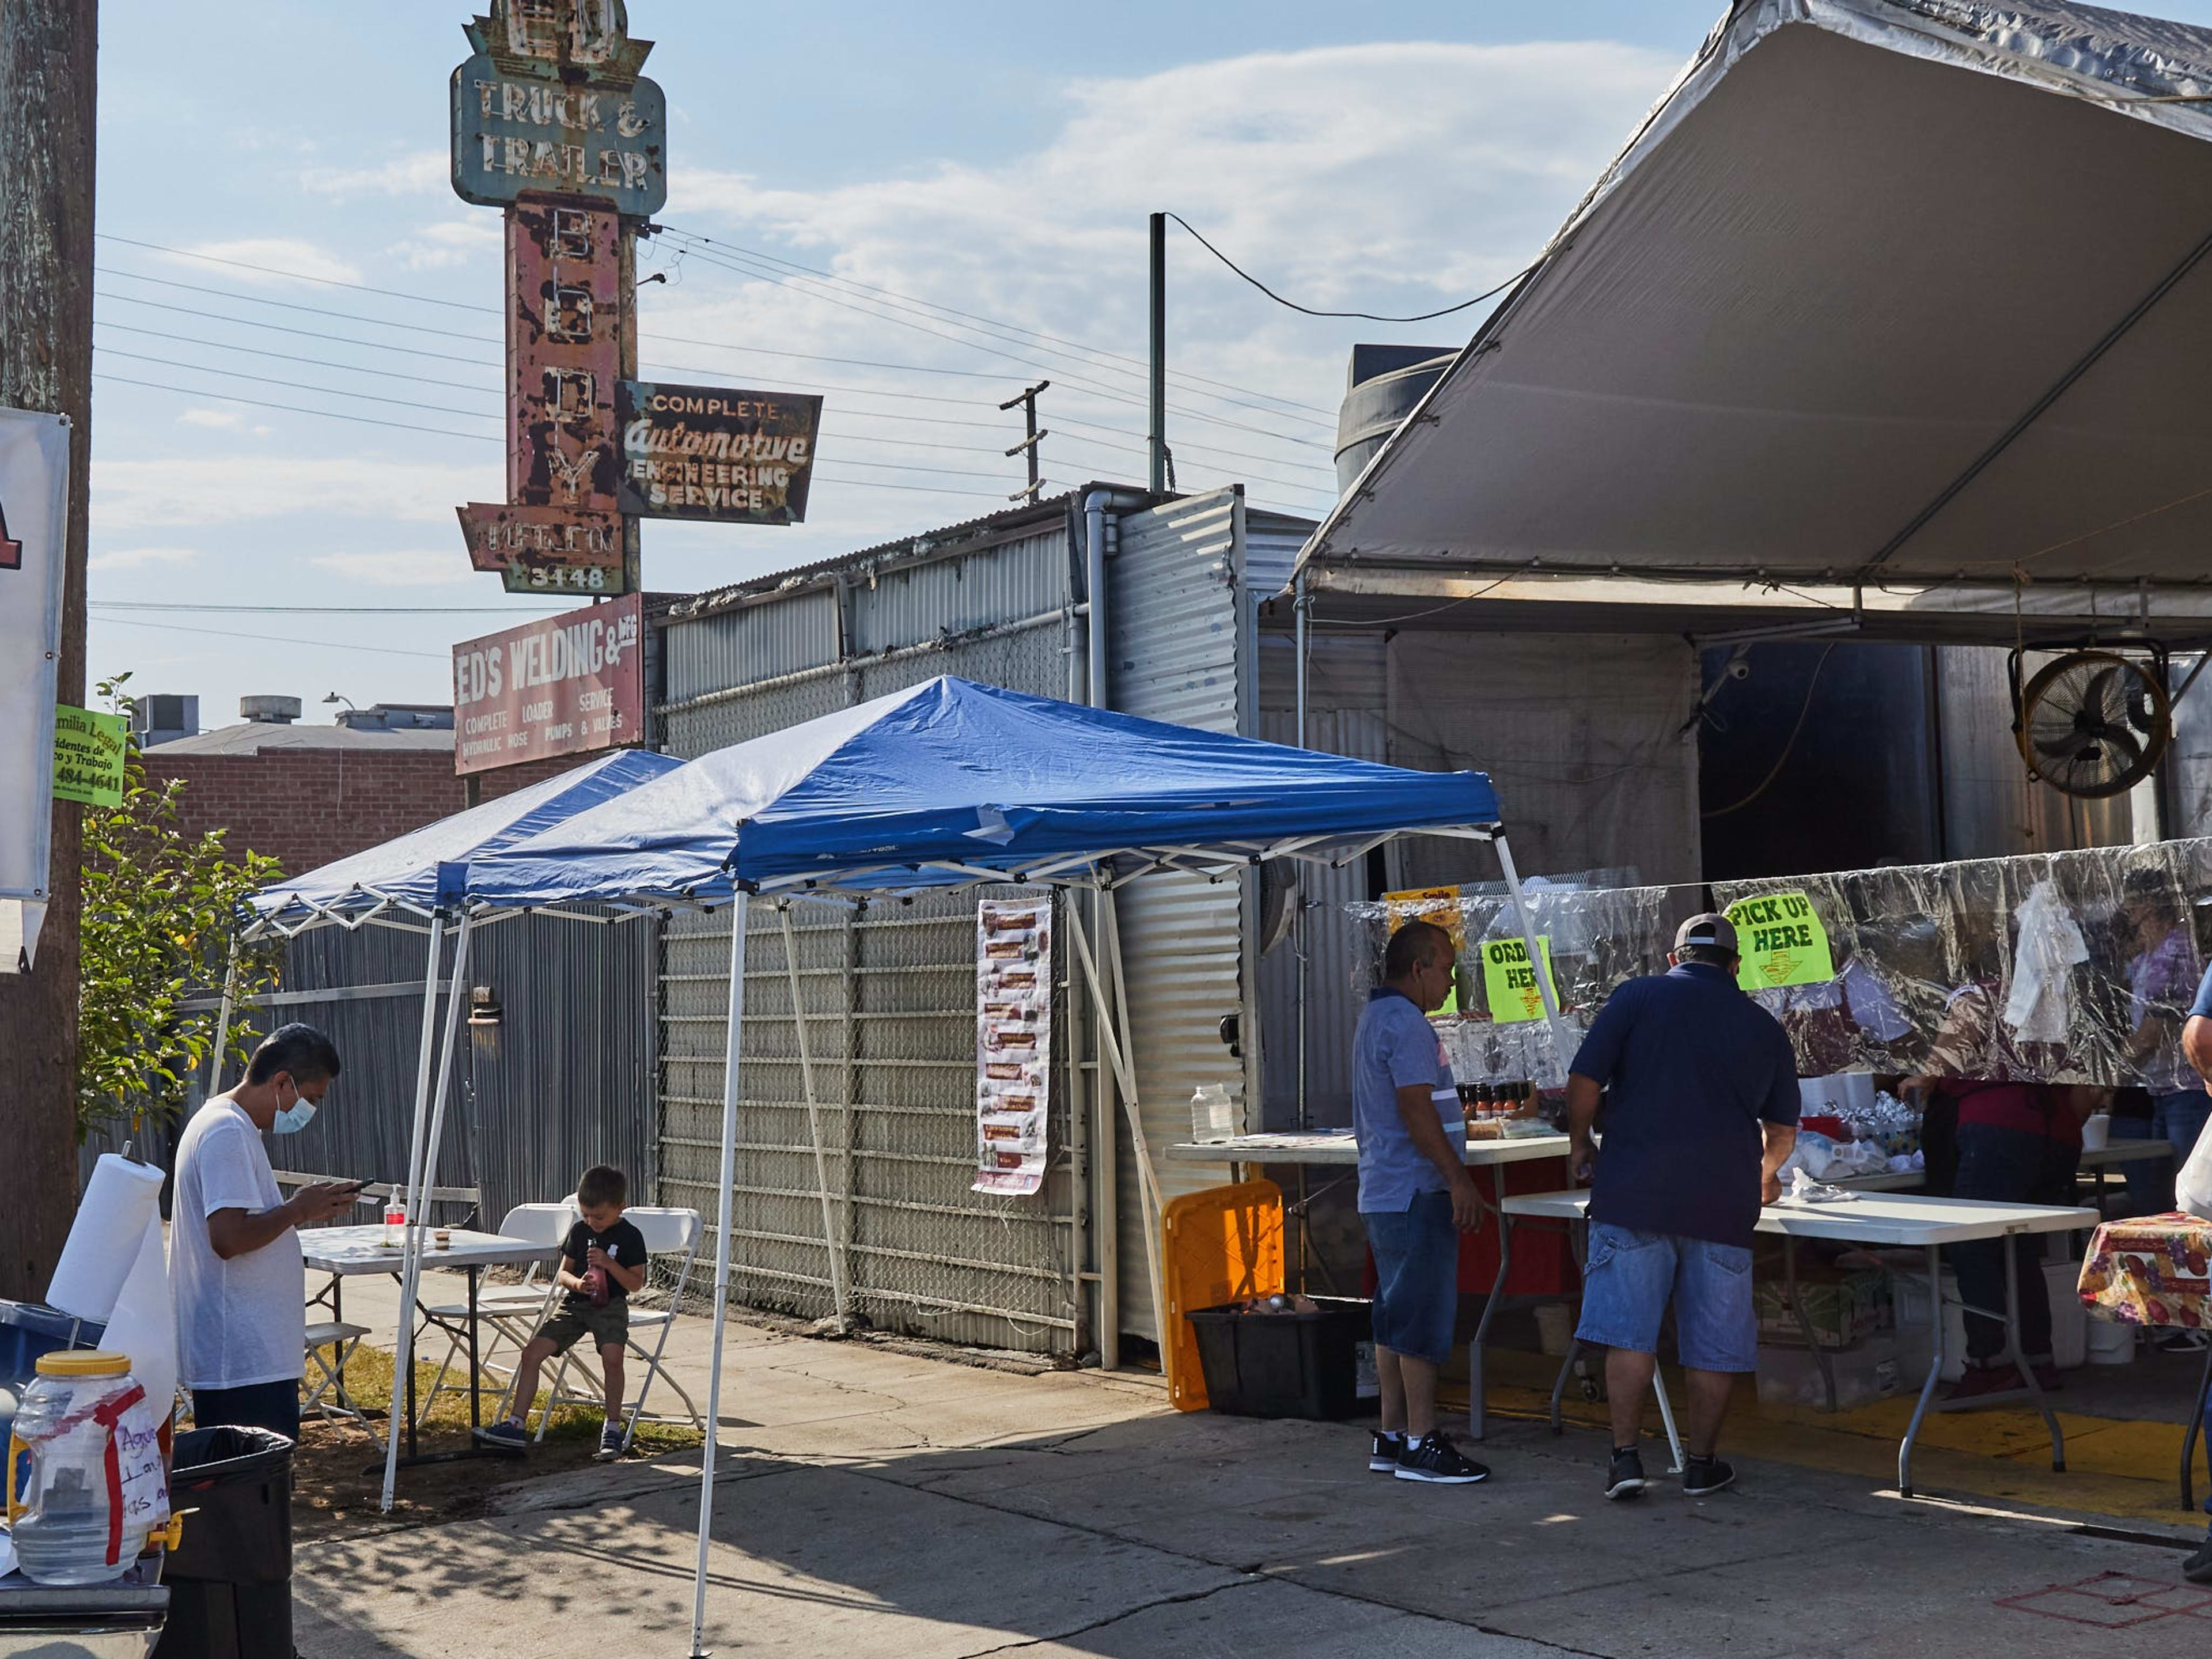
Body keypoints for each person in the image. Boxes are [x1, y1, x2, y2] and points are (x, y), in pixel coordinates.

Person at [1566, 913, 1799, 1502]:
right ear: (1735, 966)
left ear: (1675, 958)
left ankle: (1625, 1461)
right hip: (1722, 1204)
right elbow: (1783, 1131)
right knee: (1713, 1344)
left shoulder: (1637, 996)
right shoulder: (1763, 1026)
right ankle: (1701, 1465)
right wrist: (1763, 1177)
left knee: (1629, 1337)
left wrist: (1579, 1144)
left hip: (1634, 1194)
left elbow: (1584, 1081)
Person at [1904, 969, 2094, 1399]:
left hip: (1999, 1130)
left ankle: (1989, 1362)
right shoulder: (2048, 997)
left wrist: (1922, 1077)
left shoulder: (1979, 993)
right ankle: (2038, 1360)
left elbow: (1953, 1045)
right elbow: (2086, 1087)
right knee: (2019, 1247)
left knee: (1972, 1244)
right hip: (2055, 1134)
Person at [172, 1023, 359, 1441]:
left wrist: (301, 1212)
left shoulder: (232, 1125)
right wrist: (297, 1209)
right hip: (240, 1362)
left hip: (247, 1357)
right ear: (281, 1082)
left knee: (256, 1492)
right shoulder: (226, 1131)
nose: (311, 1111)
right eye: (311, 1098)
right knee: (251, 1492)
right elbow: (228, 1239)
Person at [1352, 918, 1488, 1485]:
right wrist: (1457, 1178)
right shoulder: (1406, 1024)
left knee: (1394, 1314)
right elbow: (1415, 1108)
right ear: (1418, 967)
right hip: (1413, 1190)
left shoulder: (1375, 1017)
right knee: (1420, 1316)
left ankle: (1391, 1434)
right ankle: (1421, 1441)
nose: (1452, 983)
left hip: (1386, 1190)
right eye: (1448, 969)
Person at [480, 1165, 649, 1461]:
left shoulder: (630, 1236)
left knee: (613, 1357)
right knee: (531, 1353)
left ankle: (612, 1427)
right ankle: (517, 1424)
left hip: (610, 1305)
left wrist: (610, 1266)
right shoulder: (580, 1231)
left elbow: (636, 1284)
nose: (592, 1222)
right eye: (586, 1214)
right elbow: (563, 1274)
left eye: (600, 1216)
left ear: (620, 1207)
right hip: (575, 1304)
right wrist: (577, 1283)